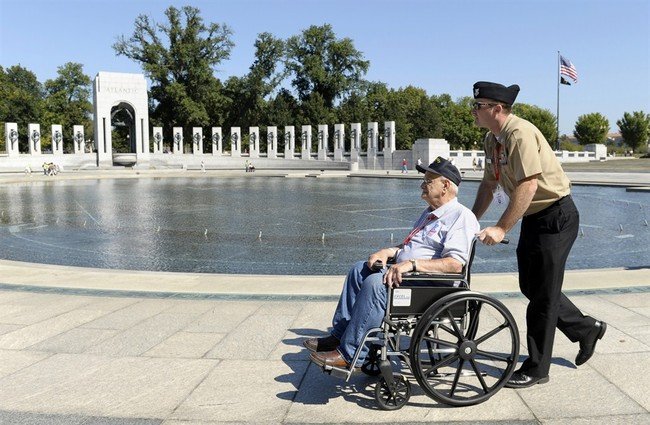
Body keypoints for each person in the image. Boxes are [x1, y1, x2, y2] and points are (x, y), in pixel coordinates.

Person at [469, 81, 607, 389]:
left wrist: (501, 227)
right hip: (533, 217)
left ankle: (537, 367)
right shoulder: (493, 140)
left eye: (478, 107)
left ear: (497, 109)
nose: (473, 112)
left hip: (555, 215)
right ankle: (586, 329)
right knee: (531, 285)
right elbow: (488, 186)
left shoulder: (520, 134)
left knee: (543, 295)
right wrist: (469, 220)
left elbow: (528, 186)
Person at [306, 157, 480, 369]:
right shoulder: (430, 214)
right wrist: (389, 252)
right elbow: (410, 247)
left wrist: (411, 265)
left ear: (445, 186)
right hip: (411, 277)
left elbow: (455, 264)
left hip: (431, 286)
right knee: (359, 270)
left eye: (428, 181)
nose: (422, 185)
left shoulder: (461, 217)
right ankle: (339, 336)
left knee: (376, 285)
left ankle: (351, 354)